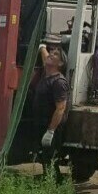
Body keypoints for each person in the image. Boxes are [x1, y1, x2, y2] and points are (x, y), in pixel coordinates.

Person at [33, 42, 69, 179]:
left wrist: (51, 131)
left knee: (50, 157)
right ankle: (50, 181)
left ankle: (54, 185)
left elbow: (60, 108)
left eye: (55, 54)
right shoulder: (47, 74)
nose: (50, 54)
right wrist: (42, 46)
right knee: (44, 157)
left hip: (51, 126)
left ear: (60, 64)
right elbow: (45, 58)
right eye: (51, 52)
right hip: (41, 123)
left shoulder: (58, 82)